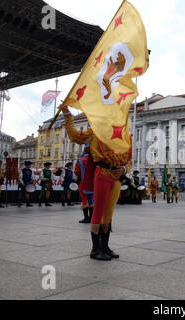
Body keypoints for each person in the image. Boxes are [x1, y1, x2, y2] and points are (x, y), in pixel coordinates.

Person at [62, 106, 125, 262]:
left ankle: (105, 247)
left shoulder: (120, 133)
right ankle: (95, 249)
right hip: (102, 173)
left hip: (115, 177)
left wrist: (124, 168)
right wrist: (68, 115)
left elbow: (127, 156)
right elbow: (76, 136)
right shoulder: (94, 130)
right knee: (98, 212)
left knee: (109, 213)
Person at [75, 149, 94, 224]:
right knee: (91, 201)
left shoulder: (80, 161)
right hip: (92, 184)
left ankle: (86, 218)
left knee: (84, 201)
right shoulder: (94, 161)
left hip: (83, 183)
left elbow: (77, 172)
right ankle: (91, 218)